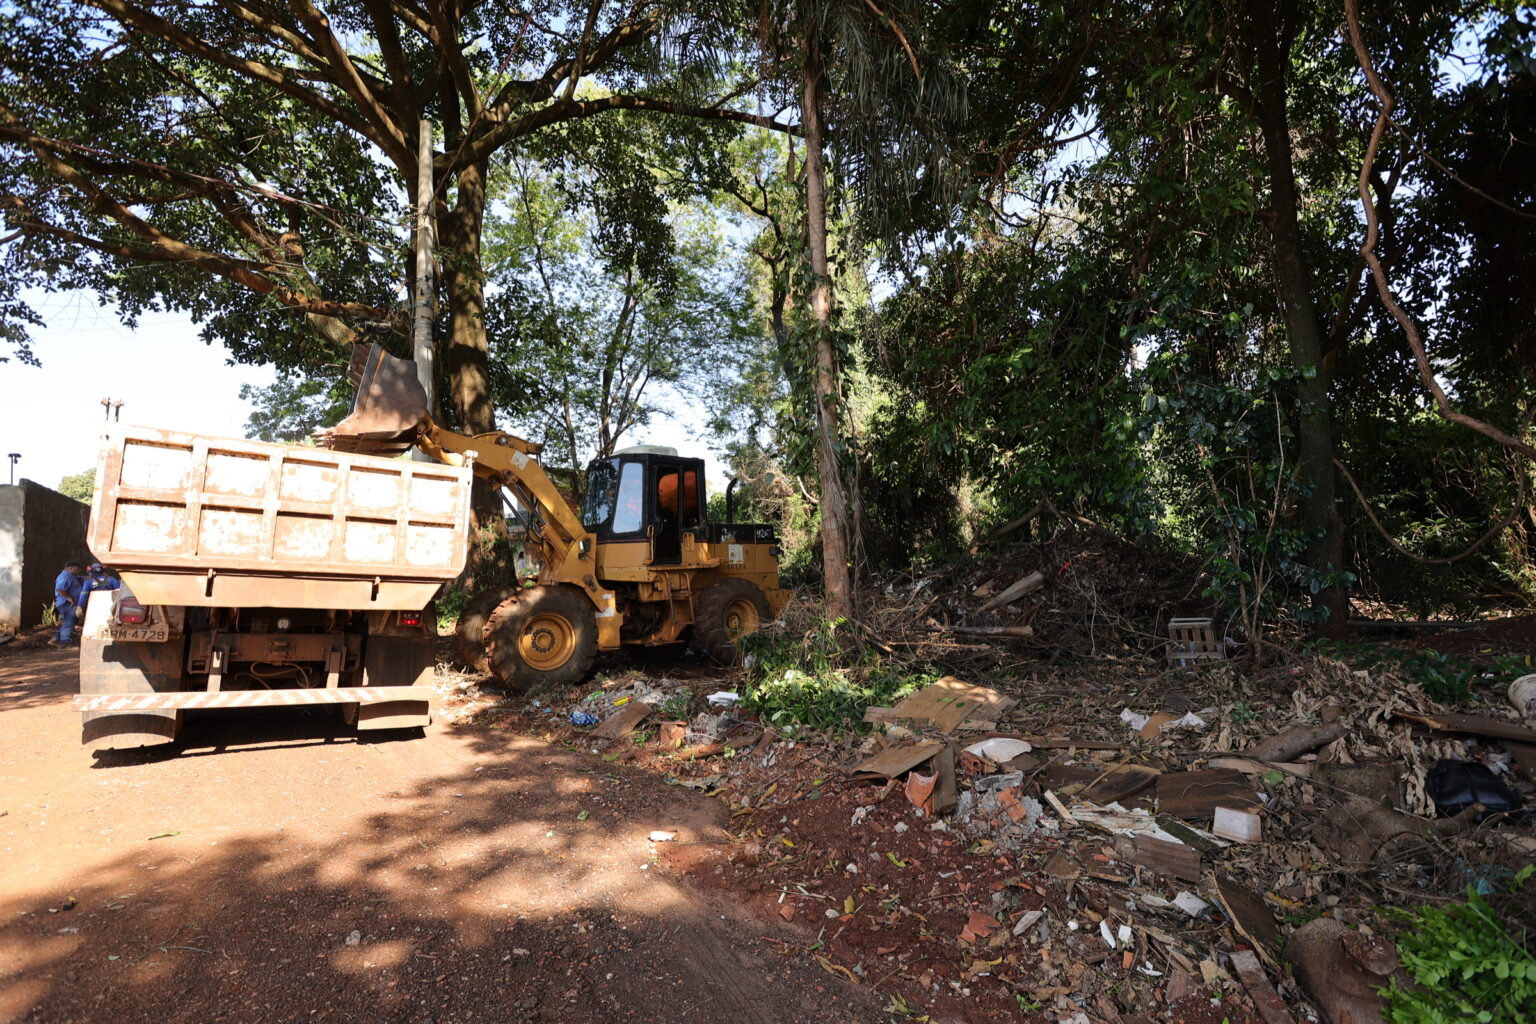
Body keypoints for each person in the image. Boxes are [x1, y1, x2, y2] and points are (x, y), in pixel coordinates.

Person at [49, 561, 85, 647]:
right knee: (69, 622)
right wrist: (69, 598)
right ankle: (64, 642)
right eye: (77, 569)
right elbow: (60, 589)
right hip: (66, 603)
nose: (78, 571)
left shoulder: (71, 576)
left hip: (70, 603)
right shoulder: (64, 576)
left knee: (69, 621)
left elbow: (82, 578)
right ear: (71, 568)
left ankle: (54, 639)